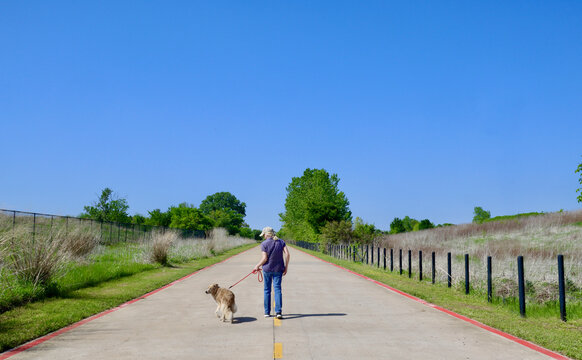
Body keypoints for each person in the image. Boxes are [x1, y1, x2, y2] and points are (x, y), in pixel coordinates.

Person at [253, 226, 290, 319]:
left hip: (267, 269)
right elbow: (288, 254)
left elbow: (265, 258)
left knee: (267, 290)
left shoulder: (264, 244)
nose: (263, 237)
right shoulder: (281, 242)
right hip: (278, 269)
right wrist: (286, 266)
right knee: (277, 290)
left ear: (266, 234)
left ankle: (267, 312)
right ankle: (278, 312)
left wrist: (257, 266)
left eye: (264, 235)